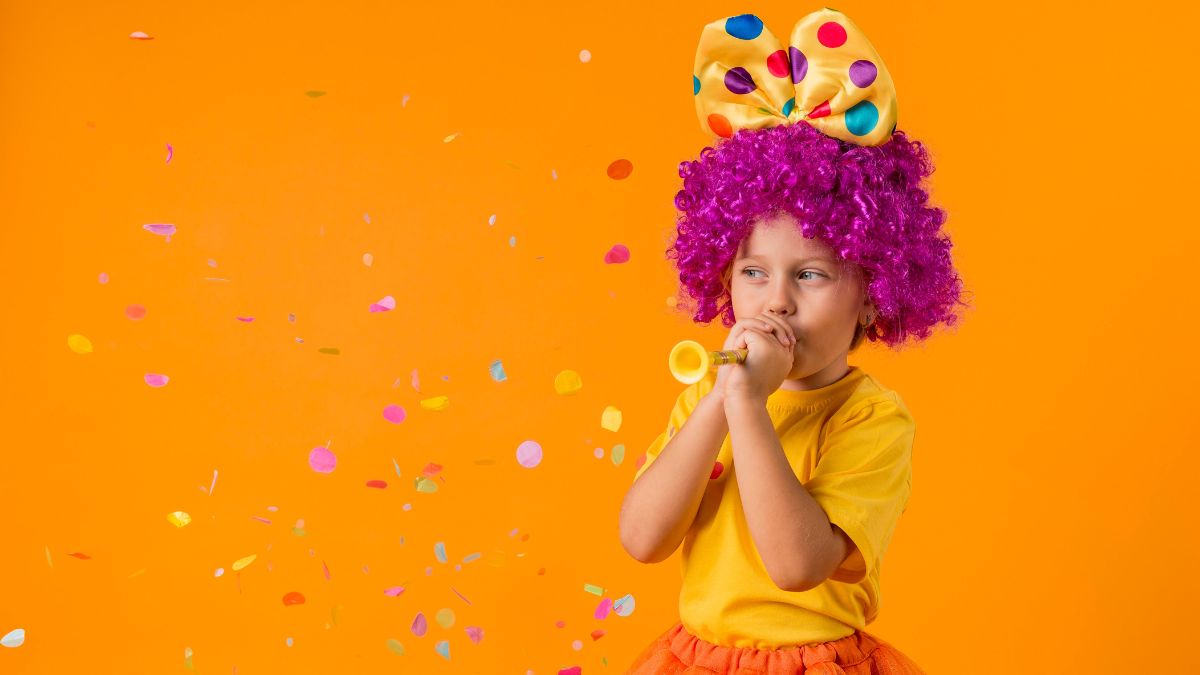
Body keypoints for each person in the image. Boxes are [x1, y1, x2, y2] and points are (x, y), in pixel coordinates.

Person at [618, 8, 968, 674]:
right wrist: (723, 402)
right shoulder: (710, 394)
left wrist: (749, 407)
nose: (776, 299)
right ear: (723, 273)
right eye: (754, 272)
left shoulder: (870, 418)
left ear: (873, 291)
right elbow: (641, 538)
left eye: (809, 273)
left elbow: (796, 563)